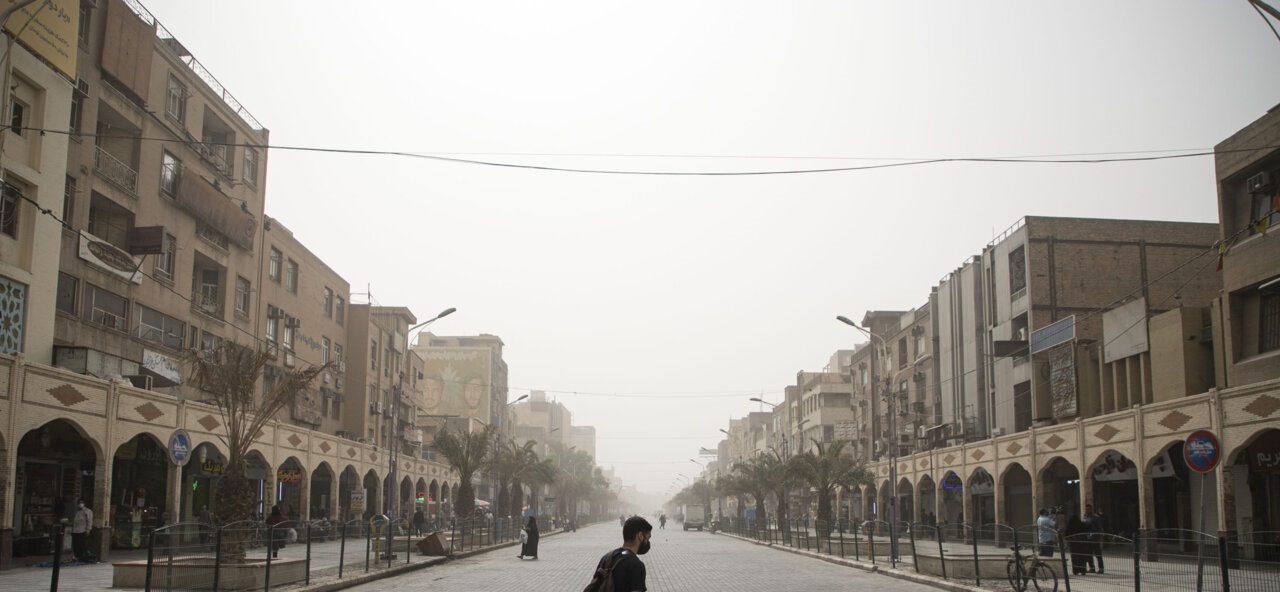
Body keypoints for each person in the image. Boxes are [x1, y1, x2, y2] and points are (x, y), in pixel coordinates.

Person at [587, 516, 652, 592]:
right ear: (640, 536)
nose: (647, 542)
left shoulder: (607, 557)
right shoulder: (637, 566)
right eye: (648, 538)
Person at [1082, 504, 1104, 574]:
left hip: (1094, 538)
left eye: (1088, 509)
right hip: (1087, 538)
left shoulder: (1095, 517)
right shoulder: (1085, 517)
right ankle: (1092, 567)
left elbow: (1100, 528)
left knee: (1098, 554)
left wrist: (1099, 537)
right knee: (1088, 554)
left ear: (1091, 509)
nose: (1087, 510)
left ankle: (1101, 568)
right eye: (1086, 509)